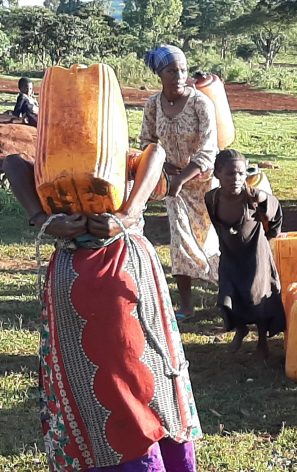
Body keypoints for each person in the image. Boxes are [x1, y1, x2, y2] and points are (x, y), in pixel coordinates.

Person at [4, 148, 202, 470]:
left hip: (117, 273)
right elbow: (13, 163)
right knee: (121, 385)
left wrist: (125, 215)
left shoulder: (94, 147)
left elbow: (156, 155)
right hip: (94, 280)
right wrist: (45, 220)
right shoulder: (79, 147)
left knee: (141, 382)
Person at [140, 44, 220, 318]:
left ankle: (225, 297)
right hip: (173, 184)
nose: (179, 75)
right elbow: (147, 142)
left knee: (211, 240)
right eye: (172, 70)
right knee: (179, 239)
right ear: (159, 74)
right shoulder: (153, 104)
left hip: (204, 183)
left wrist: (184, 177)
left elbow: (210, 148)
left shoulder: (200, 103)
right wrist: (162, 168)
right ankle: (186, 305)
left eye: (183, 69)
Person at [206, 149, 286, 358]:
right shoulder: (211, 199)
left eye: (241, 174)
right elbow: (218, 225)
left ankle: (262, 341)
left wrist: (271, 235)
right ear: (217, 174)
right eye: (230, 174)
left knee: (257, 297)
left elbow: (276, 211)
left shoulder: (253, 197)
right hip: (231, 255)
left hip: (255, 255)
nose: (237, 179)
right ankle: (240, 328)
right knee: (227, 296)